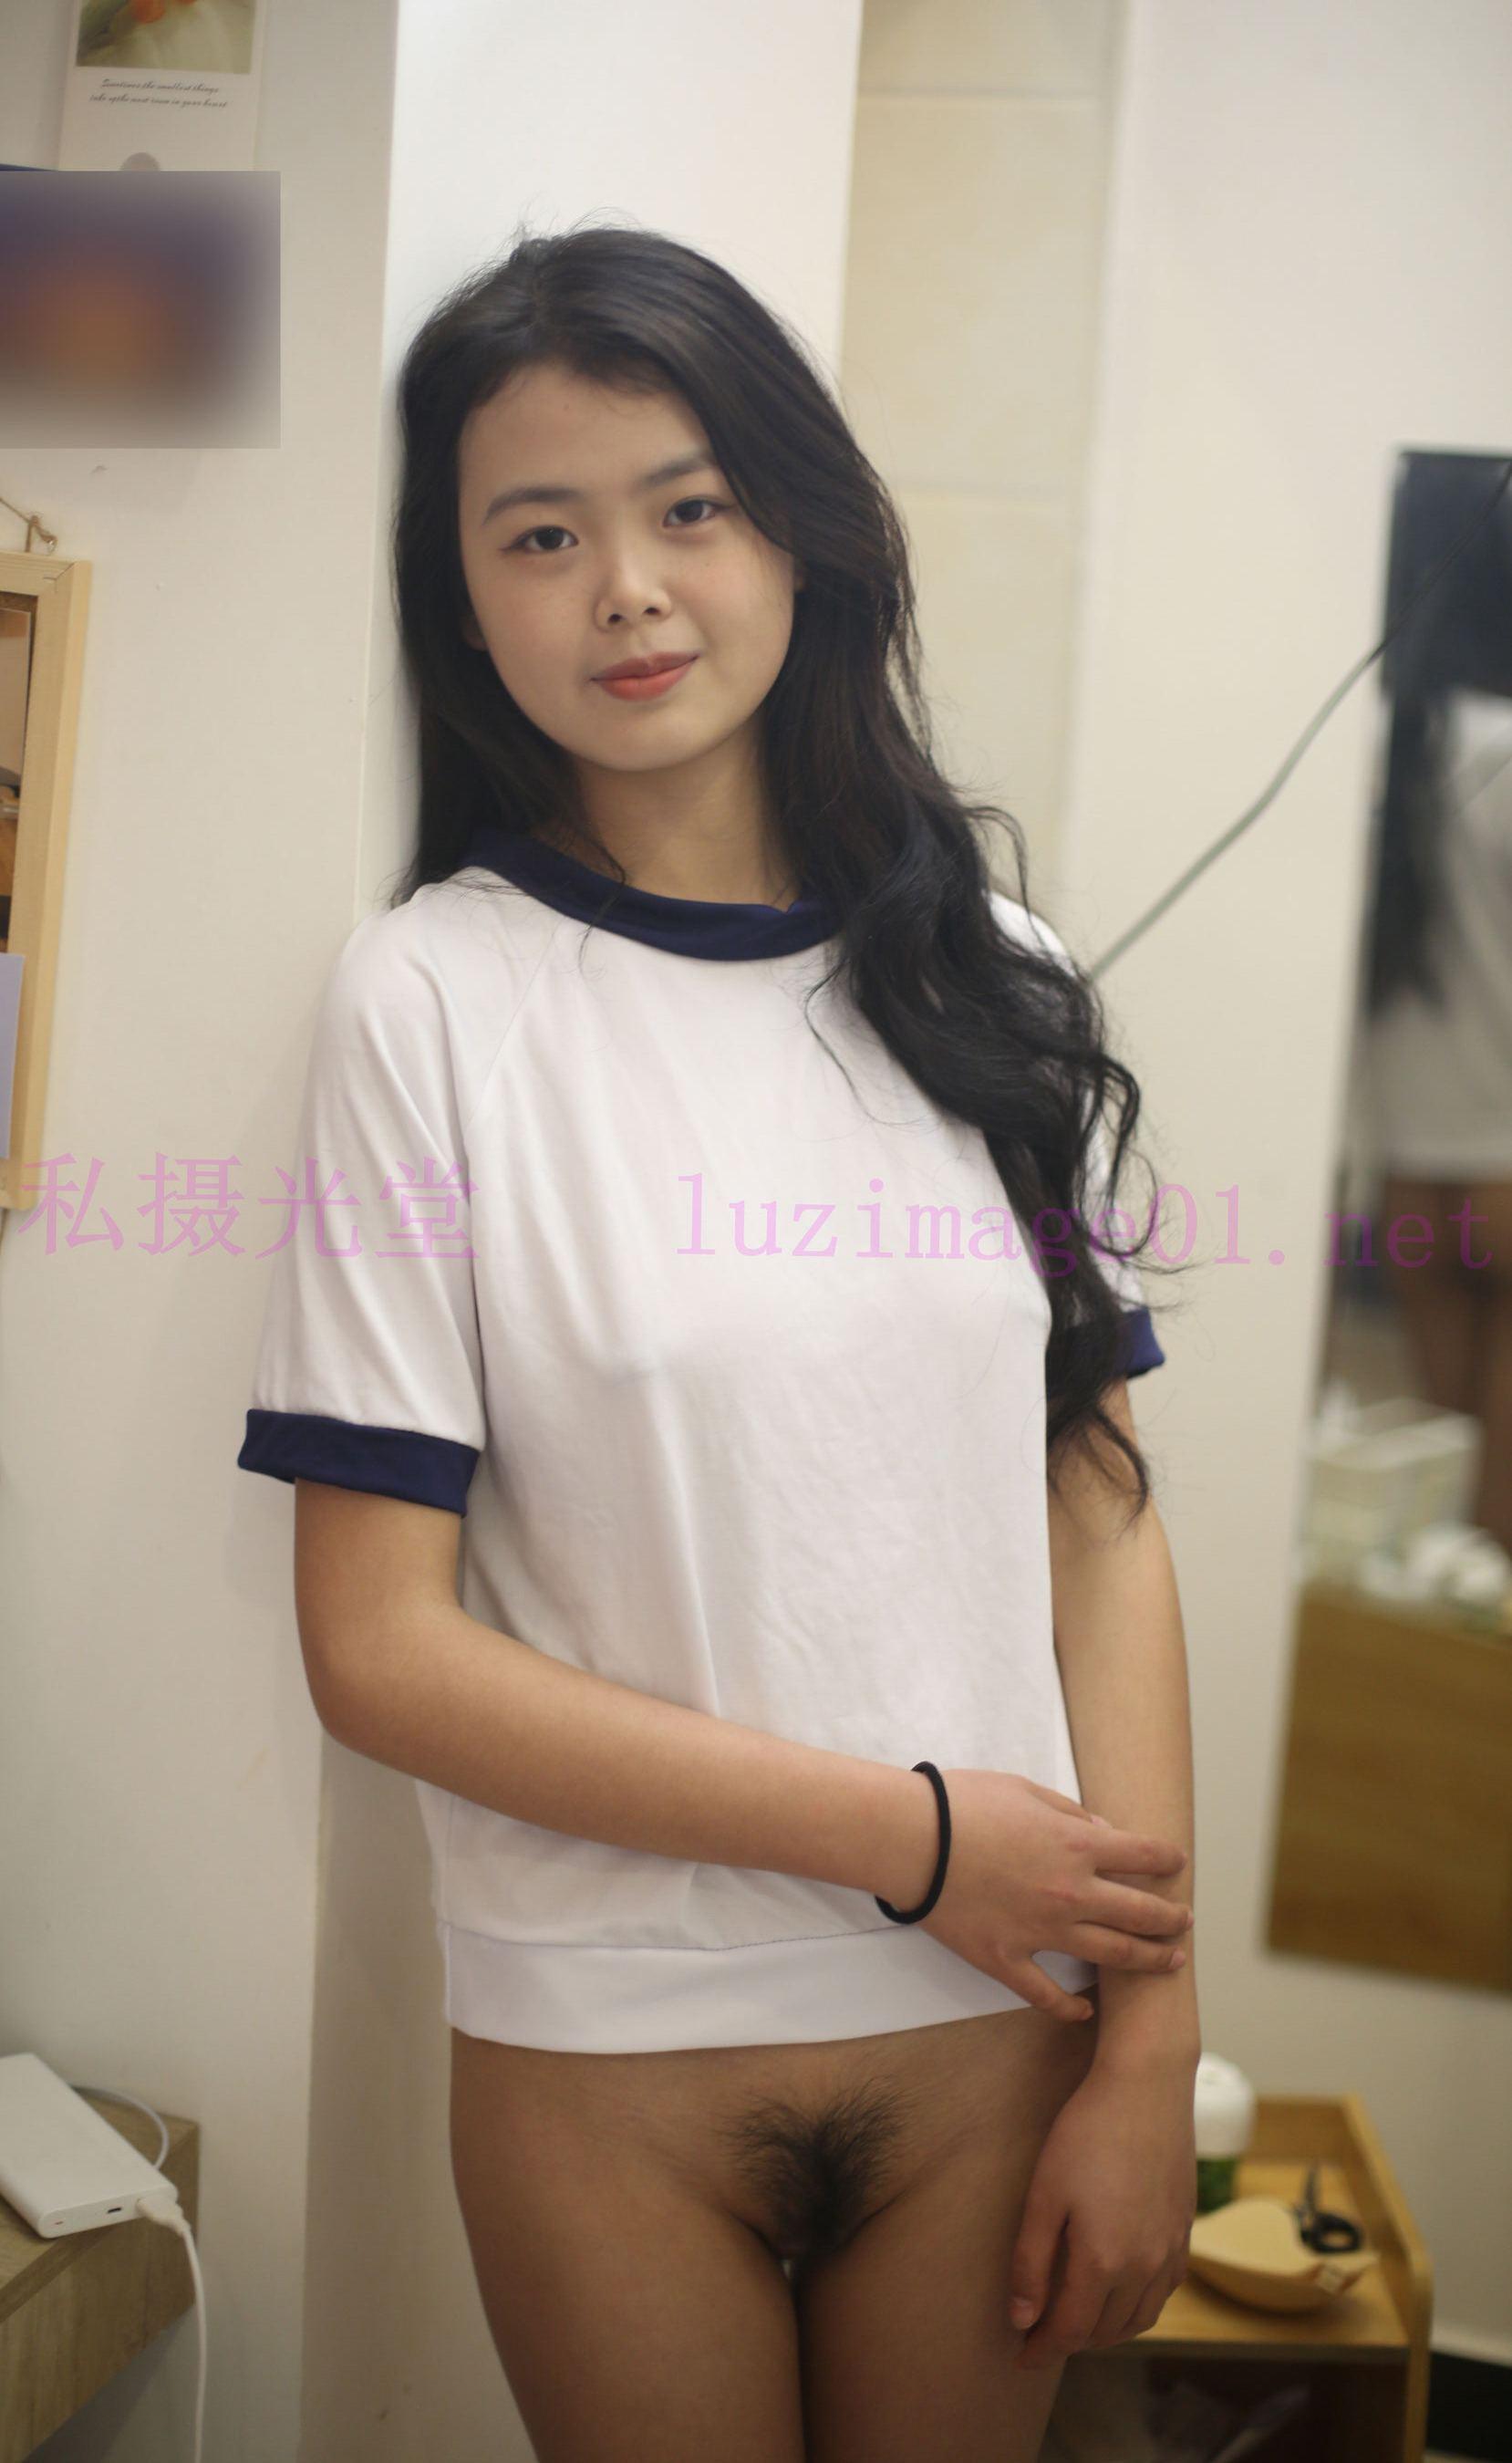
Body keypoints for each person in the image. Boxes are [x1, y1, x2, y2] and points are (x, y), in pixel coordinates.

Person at [236, 222, 1201, 2463]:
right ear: (461, 596)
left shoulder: (996, 977)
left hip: (1001, 2030)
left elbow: (1102, 1523)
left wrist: (1148, 2048)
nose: (627, 592)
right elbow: (377, 1649)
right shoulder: (432, 999)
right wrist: (913, 1833)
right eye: (540, 535)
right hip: (608, 2061)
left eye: (689, 507)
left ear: (799, 531)